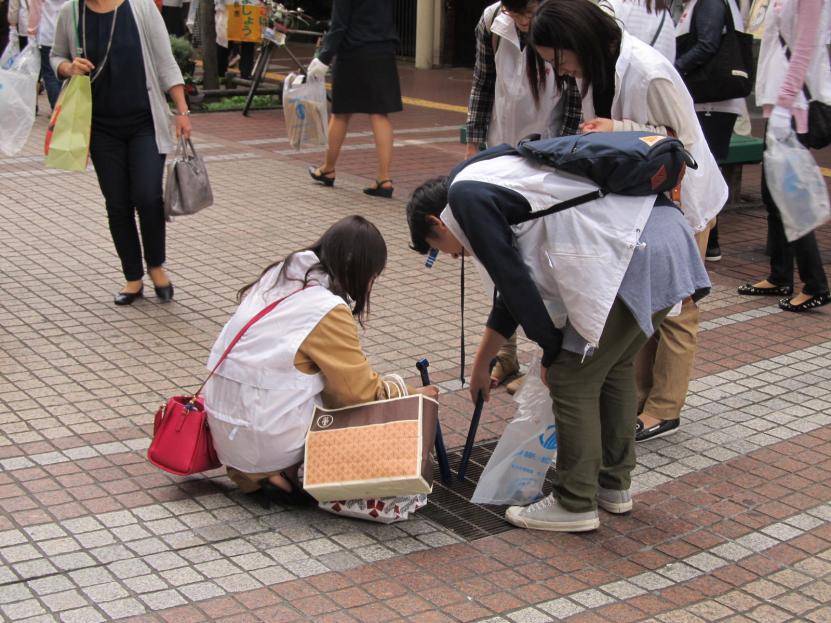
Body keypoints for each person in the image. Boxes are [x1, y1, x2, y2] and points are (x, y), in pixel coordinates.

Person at [405, 137, 710, 532]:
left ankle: (574, 502)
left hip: (632, 252)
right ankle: (612, 486)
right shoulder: (483, 173)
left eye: (438, 247)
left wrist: (551, 353)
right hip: (664, 237)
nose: (450, 255)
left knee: (570, 376)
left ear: (436, 221)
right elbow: (511, 285)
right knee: (614, 366)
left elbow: (513, 282)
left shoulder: (465, 199)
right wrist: (484, 364)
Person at [526, 0, 726, 443]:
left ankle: (663, 408)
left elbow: (681, 141)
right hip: (643, 197)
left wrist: (618, 127)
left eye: (558, 59)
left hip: (681, 196)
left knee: (675, 306)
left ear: (577, 40)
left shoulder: (647, 70)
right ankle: (636, 396)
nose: (561, 71)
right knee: (642, 298)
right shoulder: (602, 65)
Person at [204, 216, 439, 504]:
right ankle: (277, 468)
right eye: (373, 276)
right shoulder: (324, 308)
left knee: (307, 373)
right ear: (359, 269)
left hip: (224, 432)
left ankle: (259, 474)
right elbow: (356, 393)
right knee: (337, 392)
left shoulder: (278, 276)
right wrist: (412, 396)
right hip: (264, 437)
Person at [465, 0, 583, 393]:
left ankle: (549, 360)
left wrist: (563, 155)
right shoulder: (490, 20)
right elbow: (483, 82)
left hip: (547, 160)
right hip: (501, 151)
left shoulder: (559, 24)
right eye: (518, 16)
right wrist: (474, 144)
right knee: (497, 260)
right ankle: (506, 356)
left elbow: (573, 94)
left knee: (537, 260)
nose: (525, 23)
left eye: (529, 13)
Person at [51, 0, 191, 305]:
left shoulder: (141, 8)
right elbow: (56, 56)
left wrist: (182, 110)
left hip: (144, 123)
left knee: (147, 197)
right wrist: (68, 67)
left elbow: (165, 60)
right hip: (100, 127)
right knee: (117, 204)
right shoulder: (71, 12)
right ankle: (132, 277)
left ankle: (156, 266)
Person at [737, 0, 830, 311]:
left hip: (794, 108)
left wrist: (786, 103)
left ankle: (815, 284)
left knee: (791, 197)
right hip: (777, 106)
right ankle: (780, 276)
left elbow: (805, 49)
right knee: (774, 195)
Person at [306, 0, 402, 198]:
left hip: (353, 52)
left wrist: (324, 57)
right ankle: (384, 179)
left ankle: (328, 169)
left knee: (341, 112)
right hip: (384, 50)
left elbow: (339, 25)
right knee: (379, 113)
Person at [675, 0, 746, 262]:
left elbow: (707, 44)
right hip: (711, 100)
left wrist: (673, 69)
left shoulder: (709, 3)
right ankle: (710, 243)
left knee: (703, 172)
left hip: (713, 100)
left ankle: (708, 243)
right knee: (704, 171)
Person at [608, 0, 676, 62]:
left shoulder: (614, 4)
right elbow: (667, 65)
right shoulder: (667, 20)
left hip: (613, 70)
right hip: (645, 73)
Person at [34, 0, 66, 110]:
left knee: (49, 74)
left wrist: (31, 32)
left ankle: (57, 109)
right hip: (65, 34)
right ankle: (62, 106)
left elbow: (36, 11)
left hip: (47, 35)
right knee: (63, 73)